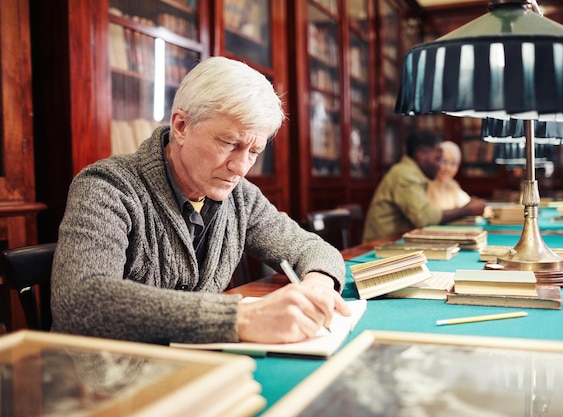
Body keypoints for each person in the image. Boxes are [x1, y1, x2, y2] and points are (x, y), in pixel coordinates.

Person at [50, 56, 351, 345]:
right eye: (229, 143)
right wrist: (240, 319)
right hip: (101, 385)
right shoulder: (107, 186)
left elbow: (312, 248)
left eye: (254, 151)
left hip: (189, 371)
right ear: (181, 126)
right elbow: (80, 299)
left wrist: (317, 285)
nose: (241, 167)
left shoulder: (241, 197)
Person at [362, 131, 486, 242]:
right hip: (380, 245)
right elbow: (423, 217)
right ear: (421, 155)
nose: (440, 166)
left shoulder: (410, 172)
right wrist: (468, 210)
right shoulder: (405, 174)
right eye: (438, 159)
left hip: (396, 240)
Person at [427, 140, 472, 210]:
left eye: (453, 164)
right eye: (444, 161)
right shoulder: (425, 185)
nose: (448, 168)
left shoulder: (452, 185)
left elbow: (468, 203)